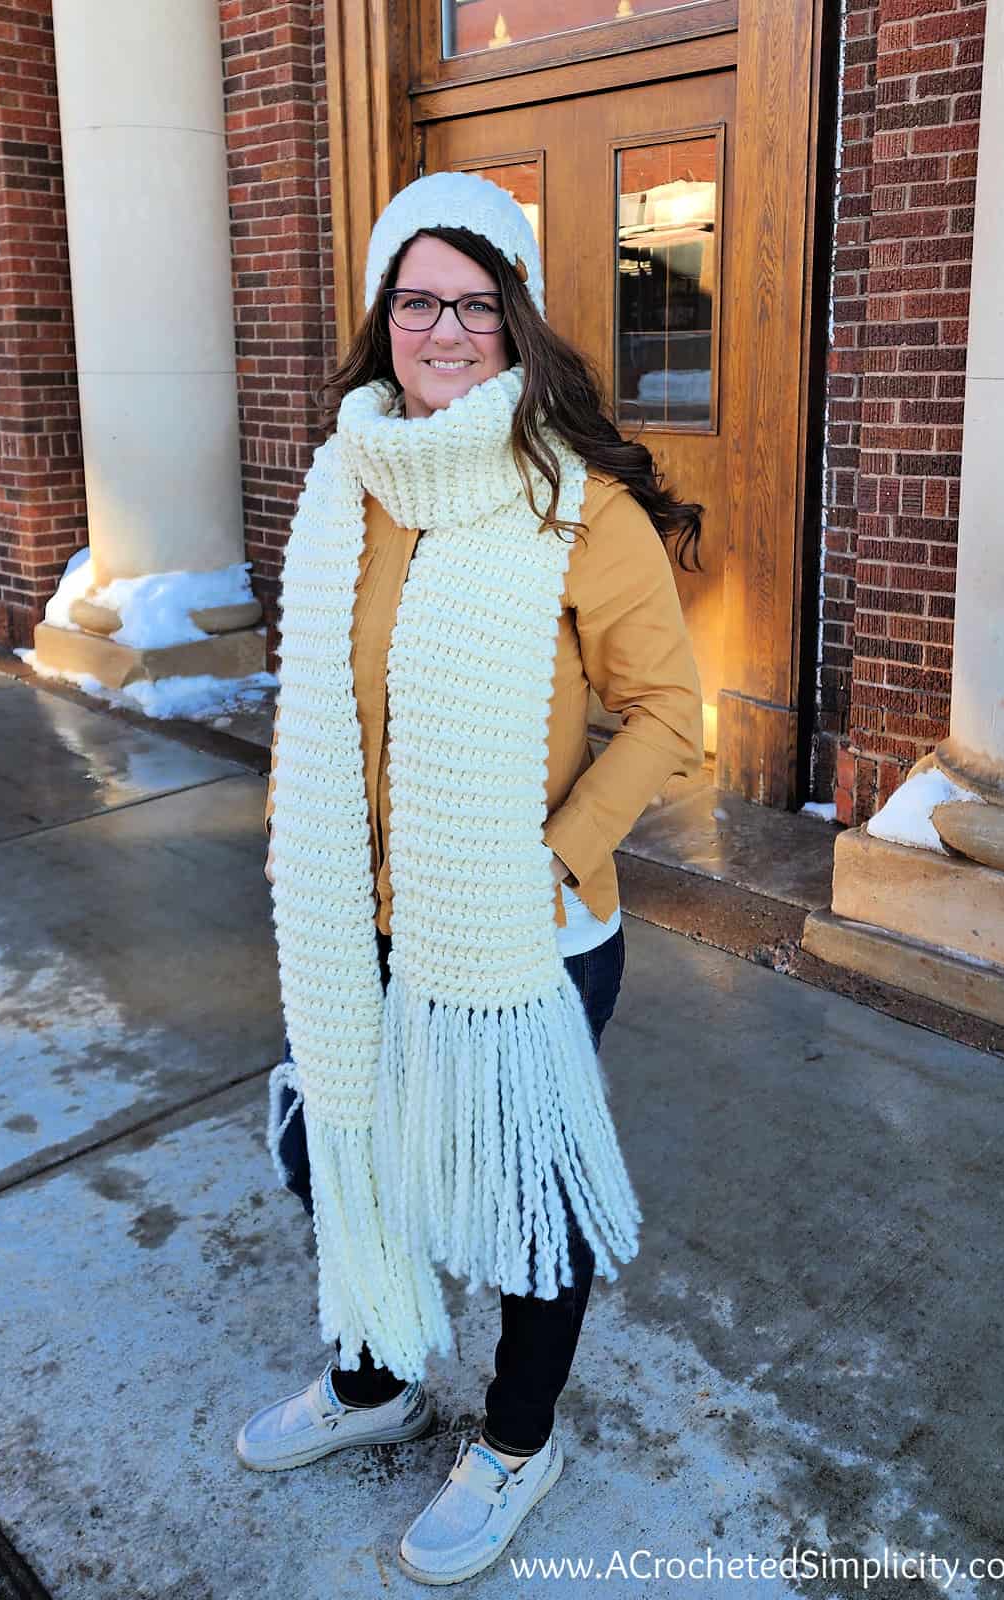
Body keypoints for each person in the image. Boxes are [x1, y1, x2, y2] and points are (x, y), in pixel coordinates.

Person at [235, 170, 704, 1586]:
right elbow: (325, 703)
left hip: (527, 931)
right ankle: (377, 1381)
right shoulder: (347, 483)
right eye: (418, 300)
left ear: (518, 322)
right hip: (354, 919)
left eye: (476, 303)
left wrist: (555, 852)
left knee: (521, 1196)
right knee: (338, 1148)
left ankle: (514, 1437)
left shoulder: (572, 498)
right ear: (383, 319)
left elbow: (675, 715)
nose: (445, 330)